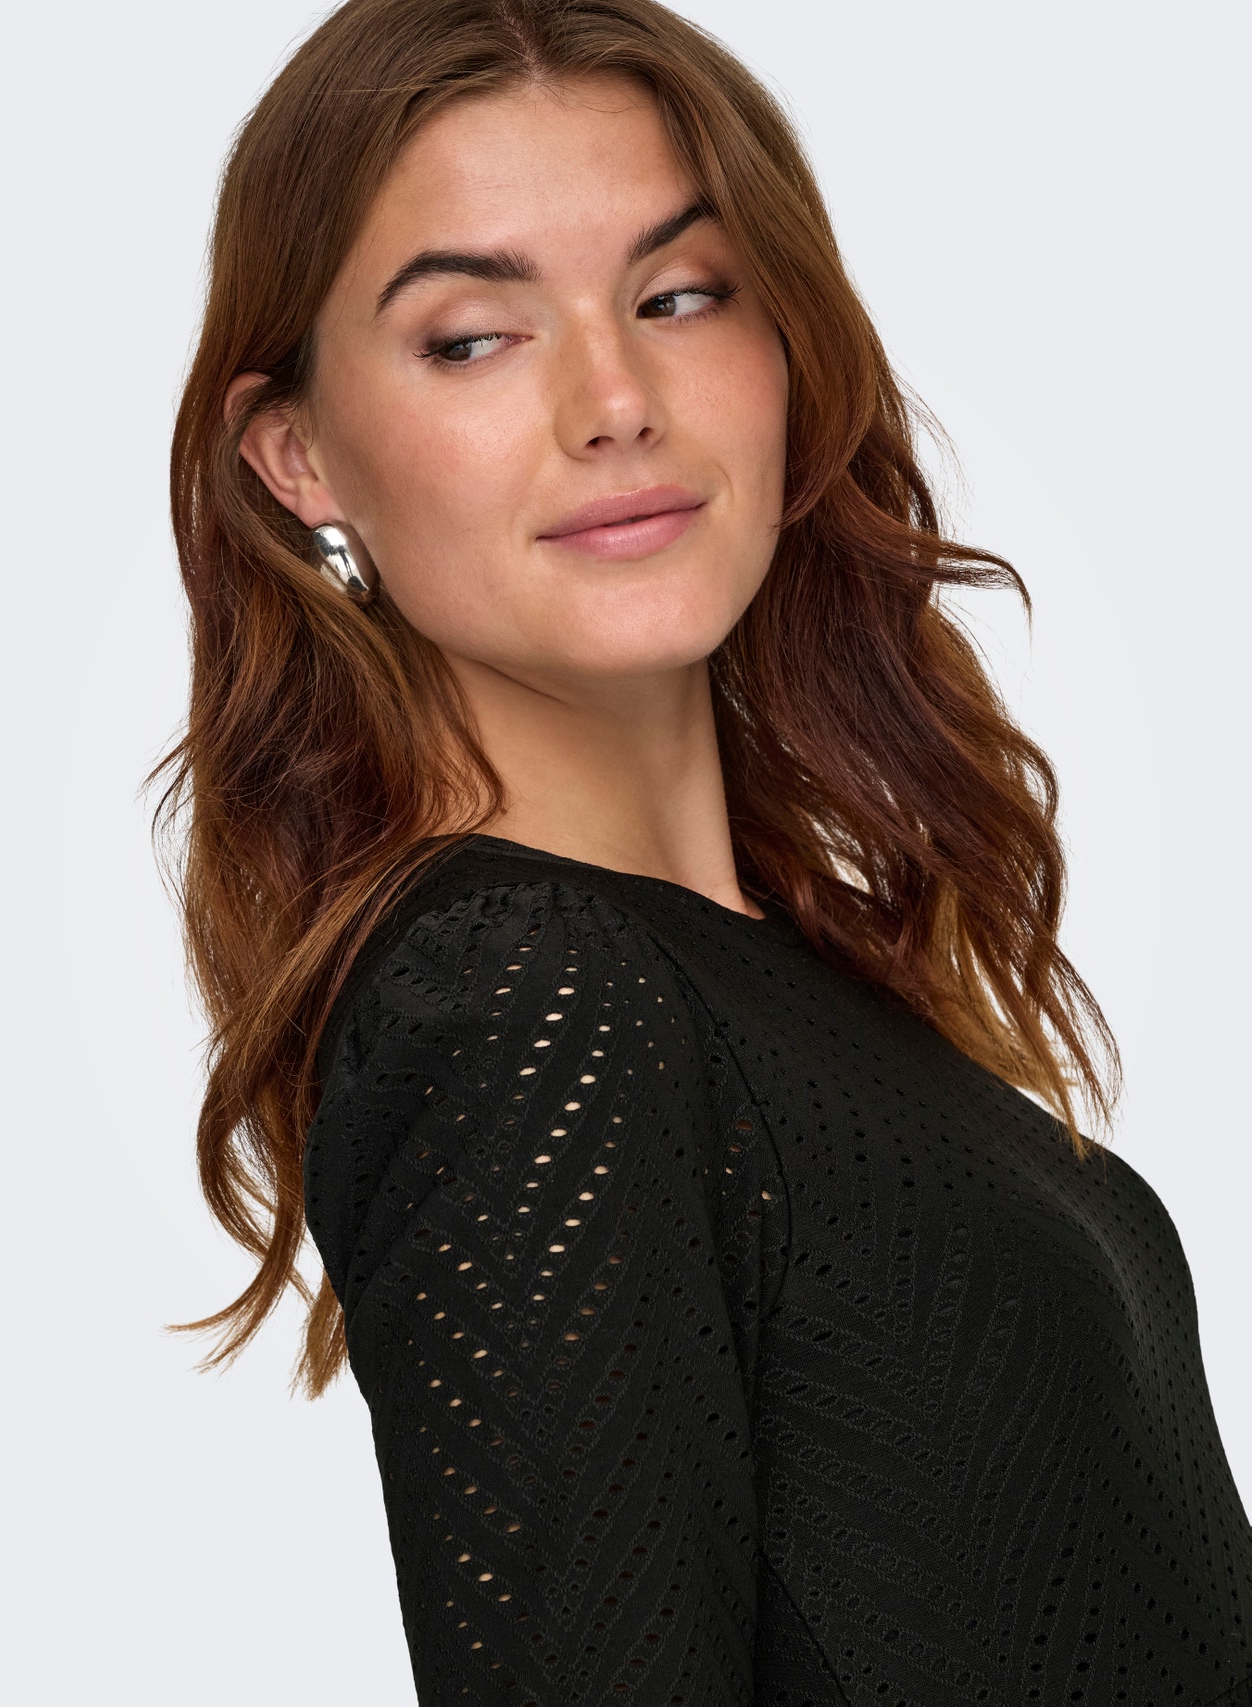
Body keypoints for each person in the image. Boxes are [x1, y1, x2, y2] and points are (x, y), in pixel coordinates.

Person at [154, 0, 1252, 1700]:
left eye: (679, 297)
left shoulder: (775, 977)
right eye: (472, 337)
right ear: (297, 458)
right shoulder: (526, 999)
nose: (616, 401)